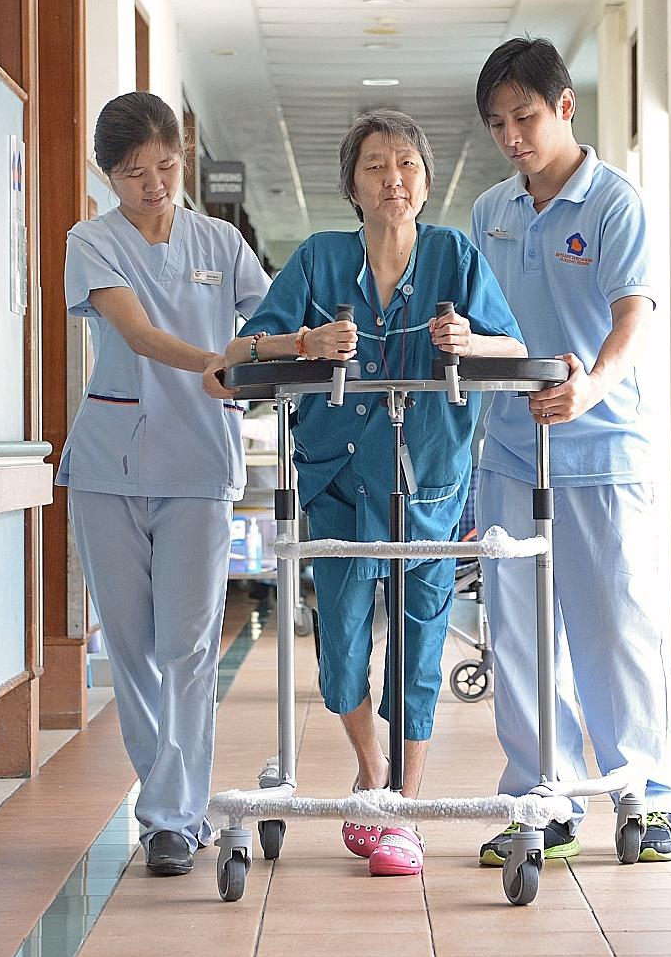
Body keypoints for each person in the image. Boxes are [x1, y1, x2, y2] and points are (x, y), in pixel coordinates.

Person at [208, 110, 523, 876]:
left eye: (408, 164)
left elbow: (513, 347)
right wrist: (304, 344)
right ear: (352, 183)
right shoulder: (318, 261)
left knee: (418, 648)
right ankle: (370, 773)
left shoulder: (454, 255)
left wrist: (467, 342)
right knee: (344, 649)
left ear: (426, 180)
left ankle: (402, 809)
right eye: (377, 165)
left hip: (429, 485)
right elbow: (236, 354)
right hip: (340, 479)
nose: (394, 178)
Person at [469, 37, 671, 866]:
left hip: (601, 448)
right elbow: (490, 326)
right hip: (510, 453)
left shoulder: (613, 203)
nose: (513, 138)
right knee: (521, 638)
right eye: (498, 125)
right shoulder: (492, 212)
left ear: (565, 107)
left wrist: (592, 385)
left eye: (525, 117)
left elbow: (635, 314)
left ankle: (649, 799)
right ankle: (543, 797)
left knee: (615, 629)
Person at [58, 92, 269, 876]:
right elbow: (140, 334)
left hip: (198, 469)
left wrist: (278, 347)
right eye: (133, 173)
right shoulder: (93, 239)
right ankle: (168, 806)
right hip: (110, 469)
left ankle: (171, 817)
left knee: (186, 644)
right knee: (136, 646)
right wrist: (219, 360)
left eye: (167, 166)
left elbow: (266, 321)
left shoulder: (221, 240)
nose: (154, 185)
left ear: (183, 154)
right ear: (107, 175)